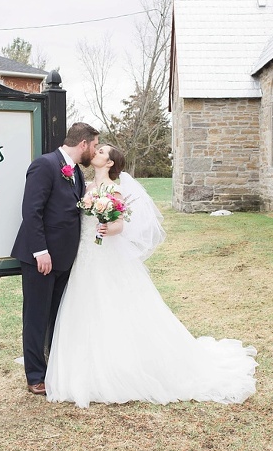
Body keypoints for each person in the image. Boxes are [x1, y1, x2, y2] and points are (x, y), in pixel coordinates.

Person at [45, 144, 258, 407]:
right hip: (85, 255)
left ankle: (120, 366)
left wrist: (106, 229)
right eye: (98, 149)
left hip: (104, 255)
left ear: (110, 163)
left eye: (102, 152)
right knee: (85, 305)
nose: (97, 153)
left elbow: (119, 225)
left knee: (111, 304)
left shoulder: (114, 189)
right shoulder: (85, 186)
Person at [11, 122, 100, 395]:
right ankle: (35, 375)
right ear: (83, 144)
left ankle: (54, 369)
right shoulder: (44, 165)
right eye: (94, 145)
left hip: (65, 259)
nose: (95, 151)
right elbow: (32, 211)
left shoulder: (76, 172)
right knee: (36, 317)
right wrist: (41, 251)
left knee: (56, 316)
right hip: (42, 258)